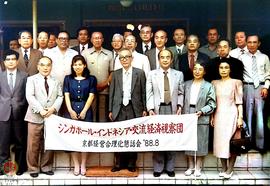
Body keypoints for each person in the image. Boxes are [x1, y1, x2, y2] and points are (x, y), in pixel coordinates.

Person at [146, 49, 184, 177]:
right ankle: (158, 167)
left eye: (168, 57)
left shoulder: (178, 74)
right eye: (162, 57)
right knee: (158, 139)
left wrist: (179, 105)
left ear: (172, 59)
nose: (165, 59)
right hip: (158, 110)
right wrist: (150, 108)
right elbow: (149, 93)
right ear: (159, 59)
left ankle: (170, 167)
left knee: (171, 138)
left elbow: (180, 92)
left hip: (172, 109)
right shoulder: (152, 74)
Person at [109, 48, 147, 173]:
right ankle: (118, 163)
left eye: (127, 57)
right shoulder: (115, 73)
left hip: (134, 108)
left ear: (132, 58)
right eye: (122, 57)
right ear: (119, 60)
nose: (124, 59)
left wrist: (145, 108)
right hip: (118, 108)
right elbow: (112, 93)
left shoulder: (140, 73)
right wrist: (110, 109)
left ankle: (131, 164)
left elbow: (144, 92)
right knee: (118, 136)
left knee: (132, 136)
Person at [24, 56, 63, 178]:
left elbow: (60, 96)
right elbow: (30, 96)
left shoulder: (56, 81)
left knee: (49, 143)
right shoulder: (31, 79)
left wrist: (53, 109)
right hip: (35, 116)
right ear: (38, 66)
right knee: (33, 145)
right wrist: (41, 110)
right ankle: (33, 168)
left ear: (51, 66)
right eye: (43, 65)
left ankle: (46, 167)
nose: (45, 67)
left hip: (51, 117)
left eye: (48, 65)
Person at [63, 55, 96, 176]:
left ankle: (83, 164)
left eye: (80, 64)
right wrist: (70, 110)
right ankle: (76, 164)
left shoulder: (91, 79)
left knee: (85, 138)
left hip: (85, 110)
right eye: (75, 64)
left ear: (85, 65)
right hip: (70, 108)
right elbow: (66, 95)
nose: (77, 67)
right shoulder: (67, 79)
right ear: (72, 66)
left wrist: (84, 111)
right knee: (72, 138)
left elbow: (91, 96)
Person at [211, 60, 243, 179]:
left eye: (226, 67)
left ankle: (230, 169)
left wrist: (240, 117)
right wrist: (212, 116)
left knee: (232, 143)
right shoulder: (214, 83)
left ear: (230, 69)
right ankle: (223, 168)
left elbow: (239, 102)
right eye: (221, 67)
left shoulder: (237, 82)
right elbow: (213, 102)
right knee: (220, 143)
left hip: (232, 114)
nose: (223, 70)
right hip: (219, 115)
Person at [183, 62, 216, 177]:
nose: (197, 71)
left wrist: (202, 111)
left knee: (201, 142)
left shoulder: (208, 86)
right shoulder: (186, 84)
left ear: (204, 72)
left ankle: (198, 167)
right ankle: (190, 166)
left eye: (200, 69)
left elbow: (212, 103)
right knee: (188, 141)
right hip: (187, 115)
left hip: (201, 115)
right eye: (195, 69)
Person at [239, 35, 270, 151]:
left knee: (260, 117)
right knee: (248, 116)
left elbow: (268, 74)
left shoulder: (264, 57)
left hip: (261, 87)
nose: (252, 44)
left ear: (259, 43)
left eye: (254, 42)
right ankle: (248, 143)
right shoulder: (242, 57)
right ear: (246, 43)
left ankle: (260, 145)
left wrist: (266, 87)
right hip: (247, 87)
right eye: (249, 42)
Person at [0, 50, 28, 176]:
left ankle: (20, 167)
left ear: (17, 61)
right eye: (8, 59)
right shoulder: (0, 76)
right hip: (3, 112)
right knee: (3, 142)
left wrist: (23, 106)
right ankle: (2, 168)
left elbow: (27, 96)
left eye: (13, 59)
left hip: (19, 112)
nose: (10, 61)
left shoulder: (25, 76)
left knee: (20, 142)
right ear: (4, 62)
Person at [81, 31, 113, 122]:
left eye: (99, 38)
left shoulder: (109, 53)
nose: (97, 40)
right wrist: (90, 84)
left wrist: (105, 83)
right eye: (95, 38)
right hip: (90, 89)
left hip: (105, 88)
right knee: (91, 111)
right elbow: (82, 71)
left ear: (102, 40)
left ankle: (102, 133)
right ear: (91, 40)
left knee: (103, 112)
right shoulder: (85, 53)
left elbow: (112, 72)